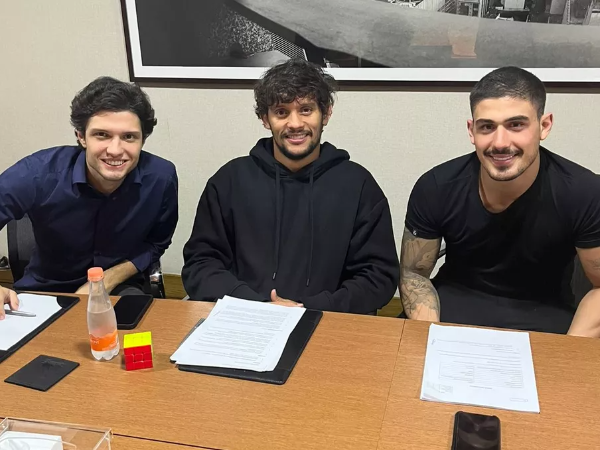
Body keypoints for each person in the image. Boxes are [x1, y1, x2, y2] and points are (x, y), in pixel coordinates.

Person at [182, 59, 399, 313]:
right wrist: (258, 304)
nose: (295, 124)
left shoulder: (359, 186)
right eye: (281, 112)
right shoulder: (229, 181)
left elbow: (378, 276)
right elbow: (200, 265)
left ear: (326, 113)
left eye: (306, 110)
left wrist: (309, 307)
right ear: (265, 119)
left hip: (328, 320)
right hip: (245, 316)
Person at [400, 66, 600, 336]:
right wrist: (432, 337)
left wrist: (568, 351)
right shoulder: (436, 187)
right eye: (487, 127)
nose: (501, 142)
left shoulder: (584, 192)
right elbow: (414, 275)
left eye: (516, 125)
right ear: (472, 131)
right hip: (451, 311)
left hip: (545, 318)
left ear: (544, 126)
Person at [0, 76, 178, 303]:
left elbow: (156, 243)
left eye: (129, 137)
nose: (115, 150)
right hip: (45, 290)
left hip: (120, 287)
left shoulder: (161, 178)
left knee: (139, 324)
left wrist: (106, 280)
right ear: (81, 137)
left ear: (142, 140)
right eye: (102, 135)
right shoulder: (37, 174)